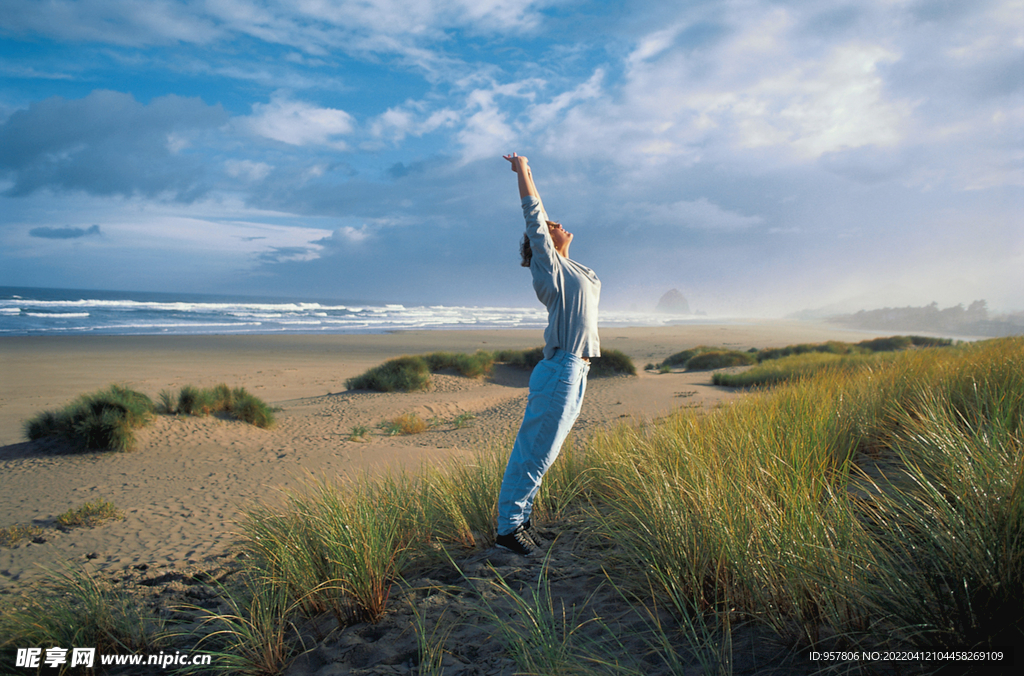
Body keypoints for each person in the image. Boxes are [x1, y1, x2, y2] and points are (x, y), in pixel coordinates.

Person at [495, 152, 601, 556]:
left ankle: (521, 521)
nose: (556, 224)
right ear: (540, 244)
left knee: (547, 452)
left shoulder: (574, 271)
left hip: (577, 370)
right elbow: (534, 214)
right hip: (561, 367)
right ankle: (508, 529)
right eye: (549, 226)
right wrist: (523, 170)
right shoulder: (549, 270)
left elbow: (544, 217)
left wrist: (531, 172)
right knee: (534, 449)